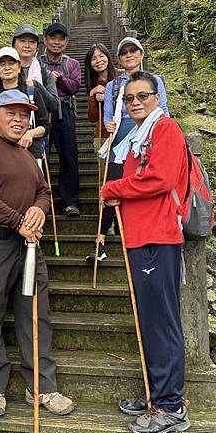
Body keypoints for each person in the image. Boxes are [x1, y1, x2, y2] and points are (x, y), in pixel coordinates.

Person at [0, 89, 75, 418]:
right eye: (11, 113)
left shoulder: (27, 154)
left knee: (34, 311)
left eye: (24, 114)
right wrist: (18, 221)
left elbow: (42, 190)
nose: (19, 119)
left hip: (27, 244)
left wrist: (39, 211)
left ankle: (41, 385)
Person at [101, 71, 190, 433]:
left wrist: (115, 186)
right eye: (129, 98)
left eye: (142, 96)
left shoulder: (165, 129)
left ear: (156, 97)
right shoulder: (141, 135)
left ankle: (170, 406)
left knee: (161, 321)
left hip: (158, 236)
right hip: (140, 237)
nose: (135, 102)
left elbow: (161, 178)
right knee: (148, 319)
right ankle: (157, 392)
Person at [97, 38, 170, 259]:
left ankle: (133, 235)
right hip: (120, 136)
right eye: (124, 52)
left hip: (148, 135)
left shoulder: (155, 80)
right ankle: (101, 238)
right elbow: (108, 115)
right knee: (113, 184)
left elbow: (163, 109)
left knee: (141, 184)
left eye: (133, 50)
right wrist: (107, 124)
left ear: (141, 54)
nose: (129, 55)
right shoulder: (113, 85)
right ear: (118, 58)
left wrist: (164, 133)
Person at [0, 47, 50, 169]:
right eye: (2, 64)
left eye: (11, 63)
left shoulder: (32, 93)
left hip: (30, 154)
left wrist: (30, 133)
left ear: (19, 67)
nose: (7, 67)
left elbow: (46, 126)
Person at [40, 22, 81, 216]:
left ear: (66, 42)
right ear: (45, 40)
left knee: (69, 155)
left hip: (65, 110)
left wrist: (59, 80)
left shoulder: (71, 63)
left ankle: (70, 201)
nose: (57, 42)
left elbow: (74, 87)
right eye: (53, 38)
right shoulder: (36, 62)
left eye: (61, 39)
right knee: (41, 155)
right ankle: (41, 200)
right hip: (42, 111)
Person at [84, 43, 117, 262]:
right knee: (105, 183)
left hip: (122, 136)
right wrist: (92, 96)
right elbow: (93, 117)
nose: (98, 60)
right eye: (93, 58)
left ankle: (117, 223)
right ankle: (107, 227)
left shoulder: (121, 81)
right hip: (102, 137)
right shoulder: (93, 85)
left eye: (101, 56)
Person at [12, 23, 58, 113]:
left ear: (37, 47)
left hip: (38, 125)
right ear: (13, 44)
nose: (27, 45)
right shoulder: (6, 71)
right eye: (22, 41)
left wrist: (37, 85)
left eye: (32, 42)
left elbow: (53, 106)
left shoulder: (45, 74)